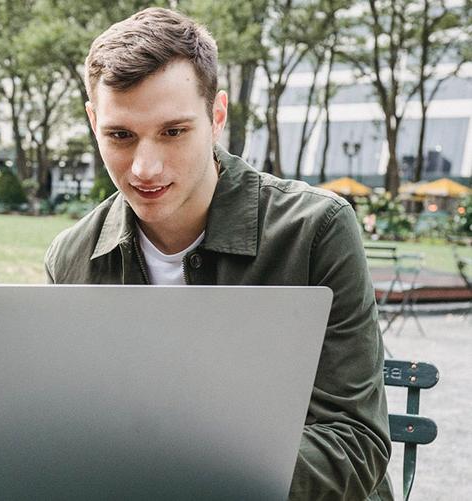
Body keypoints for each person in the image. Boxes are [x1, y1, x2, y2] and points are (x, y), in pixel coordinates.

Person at [44, 8, 392, 500]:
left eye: (174, 131)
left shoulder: (317, 229)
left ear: (218, 115)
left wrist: (182, 475)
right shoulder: (72, 256)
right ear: (93, 120)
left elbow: (356, 445)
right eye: (120, 135)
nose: (145, 168)